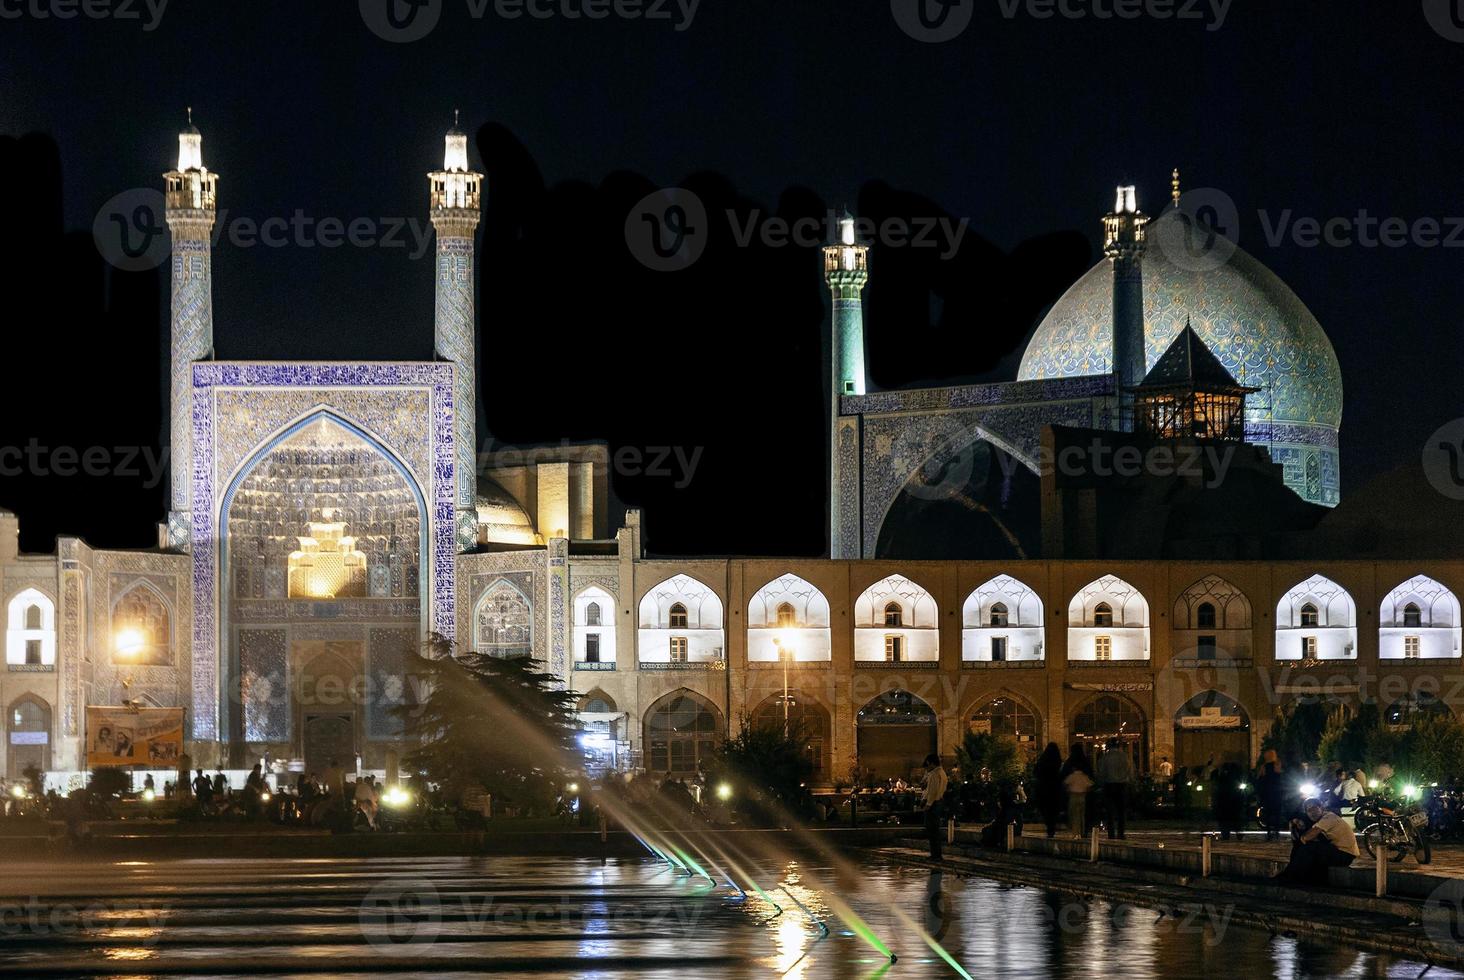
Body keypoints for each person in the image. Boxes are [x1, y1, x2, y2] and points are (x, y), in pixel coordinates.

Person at [1275, 797, 1359, 884]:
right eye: (1308, 810)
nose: (1312, 812)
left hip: (1345, 855)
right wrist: (1295, 825)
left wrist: (1302, 837)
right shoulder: (1323, 819)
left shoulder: (1329, 817)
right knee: (1308, 848)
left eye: (1314, 808)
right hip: (1338, 852)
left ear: (1321, 808)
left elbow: (1308, 837)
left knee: (1309, 848)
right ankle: (1295, 876)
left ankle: (1290, 876)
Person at [1096, 741, 1133, 840]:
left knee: (1110, 811)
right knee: (1121, 811)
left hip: (1109, 785)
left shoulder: (1106, 757)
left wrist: (1101, 783)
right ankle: (1121, 833)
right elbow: (1129, 770)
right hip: (1122, 785)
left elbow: (1101, 772)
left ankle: (1111, 833)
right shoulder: (1124, 756)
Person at [1060, 744, 1094, 838]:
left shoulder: (1069, 763)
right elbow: (1091, 781)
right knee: (1083, 814)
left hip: (1072, 795)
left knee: (1074, 814)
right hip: (1083, 795)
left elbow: (1064, 780)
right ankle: (1083, 831)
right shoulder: (1085, 763)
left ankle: (1075, 832)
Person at [1033, 742, 1064, 839]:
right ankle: (1052, 827)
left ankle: (1049, 826)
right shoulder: (1057, 761)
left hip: (1044, 788)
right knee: (1053, 809)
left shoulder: (1042, 760)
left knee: (1045, 808)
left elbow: (1035, 772)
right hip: (1055, 789)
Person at [921, 753, 948, 861]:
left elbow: (932, 791)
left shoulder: (934, 774)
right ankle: (937, 854)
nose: (928, 768)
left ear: (931, 763)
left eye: (928, 765)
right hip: (939, 802)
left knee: (932, 830)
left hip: (933, 804)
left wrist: (928, 804)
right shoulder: (943, 773)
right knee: (935, 830)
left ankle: (935, 855)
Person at [1212, 761, 1246, 841]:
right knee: (1234, 818)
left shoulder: (1224, 777)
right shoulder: (1231, 777)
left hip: (1227, 801)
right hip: (1230, 800)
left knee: (1227, 819)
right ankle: (1236, 833)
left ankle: (1228, 833)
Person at [1257, 760, 1287, 842]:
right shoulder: (1277, 770)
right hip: (1275, 796)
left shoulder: (1266, 770)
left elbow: (1260, 781)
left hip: (1269, 796)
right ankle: (1275, 833)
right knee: (1275, 815)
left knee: (1269, 815)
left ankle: (1271, 833)